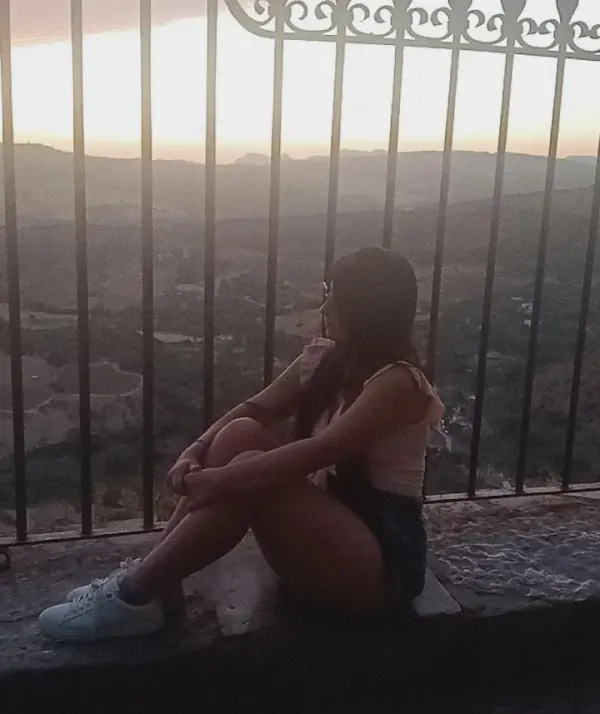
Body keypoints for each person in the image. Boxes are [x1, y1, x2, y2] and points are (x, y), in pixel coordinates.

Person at [39, 247, 444, 642]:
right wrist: (195, 450)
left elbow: (321, 451)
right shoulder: (330, 360)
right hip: (328, 536)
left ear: (368, 309)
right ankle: (157, 584)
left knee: (250, 469)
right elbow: (255, 409)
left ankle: (133, 596)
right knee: (241, 433)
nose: (324, 308)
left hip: (382, 568)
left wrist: (222, 481)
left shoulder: (399, 383)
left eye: (335, 297)